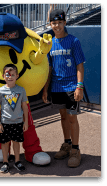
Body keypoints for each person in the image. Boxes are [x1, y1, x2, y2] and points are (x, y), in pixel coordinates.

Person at [42, 9, 85, 168]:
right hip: (56, 87)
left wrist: (79, 86)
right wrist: (46, 89)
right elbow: (49, 69)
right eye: (54, 23)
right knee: (64, 117)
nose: (57, 25)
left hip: (72, 86)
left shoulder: (74, 41)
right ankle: (67, 145)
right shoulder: (50, 44)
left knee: (72, 118)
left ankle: (75, 150)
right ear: (50, 24)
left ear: (65, 23)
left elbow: (80, 64)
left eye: (60, 22)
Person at [0, 64, 29, 173]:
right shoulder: (0, 91)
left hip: (18, 122)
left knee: (16, 142)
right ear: (3, 76)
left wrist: (26, 121)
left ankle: (17, 161)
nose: (10, 77)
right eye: (7, 75)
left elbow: (24, 106)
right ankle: (5, 162)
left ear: (17, 76)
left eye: (12, 75)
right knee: (4, 143)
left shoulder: (21, 90)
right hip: (4, 122)